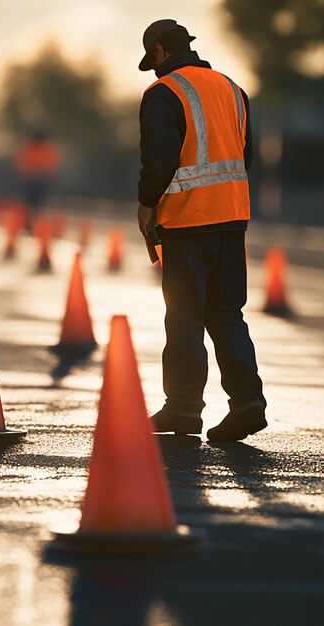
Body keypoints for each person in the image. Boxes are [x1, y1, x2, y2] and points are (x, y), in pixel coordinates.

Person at [136, 19, 267, 441]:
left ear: (158, 52)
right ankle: (248, 402)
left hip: (188, 222)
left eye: (151, 60)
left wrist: (146, 206)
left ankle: (184, 410)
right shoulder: (232, 88)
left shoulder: (162, 94)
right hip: (231, 219)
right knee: (228, 315)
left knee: (184, 319)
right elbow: (246, 154)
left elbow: (159, 160)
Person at [15, 129, 60, 227]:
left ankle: (34, 223)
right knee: (29, 203)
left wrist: (44, 174)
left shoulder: (46, 149)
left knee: (37, 204)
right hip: (31, 181)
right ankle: (27, 222)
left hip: (40, 182)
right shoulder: (30, 147)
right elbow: (22, 162)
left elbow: (52, 164)